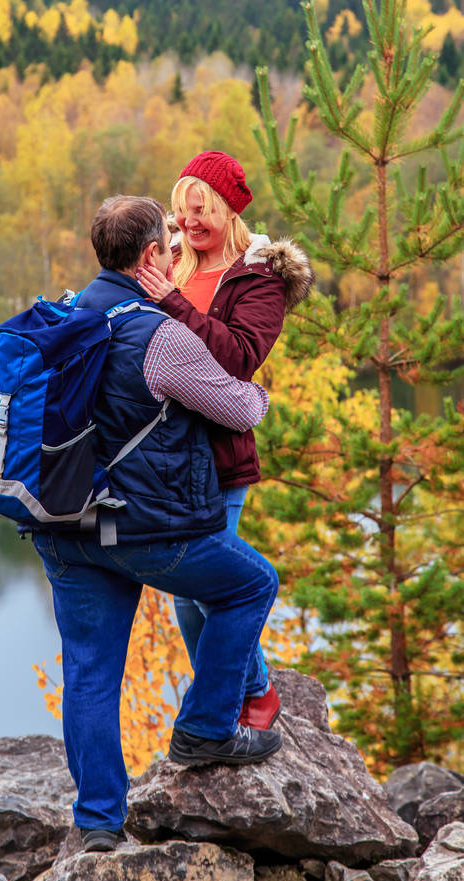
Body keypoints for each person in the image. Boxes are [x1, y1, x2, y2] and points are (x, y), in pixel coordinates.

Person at [31, 194, 282, 854]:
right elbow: (240, 409)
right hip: (146, 533)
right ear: (149, 257)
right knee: (250, 584)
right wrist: (258, 392)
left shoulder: (62, 316)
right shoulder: (160, 335)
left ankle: (97, 826)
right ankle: (206, 726)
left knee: (88, 674)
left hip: (65, 529)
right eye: (169, 241)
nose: (178, 248)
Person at [136, 151, 313, 732]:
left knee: (209, 590)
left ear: (227, 211)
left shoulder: (258, 279)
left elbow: (238, 358)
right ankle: (244, 690)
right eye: (181, 210)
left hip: (217, 459)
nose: (187, 222)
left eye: (200, 210)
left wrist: (172, 302)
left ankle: (245, 695)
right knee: (188, 595)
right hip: (163, 460)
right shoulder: (173, 265)